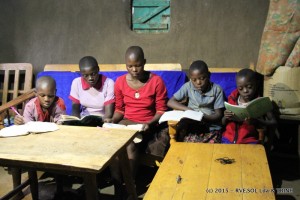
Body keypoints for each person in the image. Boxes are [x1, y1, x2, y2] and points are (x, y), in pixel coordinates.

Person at [105, 46, 169, 198]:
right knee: (115, 144)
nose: (134, 69)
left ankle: (129, 183)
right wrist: (111, 120)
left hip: (146, 125)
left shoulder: (156, 82)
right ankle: (116, 185)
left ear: (144, 62)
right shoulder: (120, 82)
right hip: (126, 123)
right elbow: (120, 109)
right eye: (130, 66)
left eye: (138, 65)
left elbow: (161, 110)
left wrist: (150, 123)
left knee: (131, 144)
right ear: (125, 65)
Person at [13, 76, 66, 199]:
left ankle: (59, 189)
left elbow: (61, 127)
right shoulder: (30, 106)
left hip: (54, 142)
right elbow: (26, 127)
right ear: (36, 93)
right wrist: (19, 122)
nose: (47, 99)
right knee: (15, 156)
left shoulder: (59, 105)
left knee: (60, 156)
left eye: (50, 96)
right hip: (32, 142)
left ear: (55, 93)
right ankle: (17, 189)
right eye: (42, 95)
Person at [167, 60, 225, 143]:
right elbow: (170, 102)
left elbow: (218, 115)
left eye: (202, 78)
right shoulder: (188, 86)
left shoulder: (217, 90)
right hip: (193, 126)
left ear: (208, 75)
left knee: (210, 149)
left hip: (211, 127)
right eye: (194, 80)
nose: (198, 82)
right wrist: (188, 109)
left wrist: (203, 117)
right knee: (188, 146)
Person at [221, 68, 277, 144]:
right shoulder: (232, 99)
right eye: (240, 88)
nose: (245, 91)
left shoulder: (261, 102)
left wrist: (257, 121)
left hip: (249, 140)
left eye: (249, 87)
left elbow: (274, 122)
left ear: (256, 84)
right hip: (228, 139)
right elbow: (223, 123)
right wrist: (225, 117)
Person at [69, 56, 115, 122]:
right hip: (84, 121)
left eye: (93, 74)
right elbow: (75, 109)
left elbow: (109, 113)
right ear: (81, 73)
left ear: (98, 69)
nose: (90, 78)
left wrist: (100, 122)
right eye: (85, 75)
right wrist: (77, 123)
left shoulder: (108, 83)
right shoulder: (76, 83)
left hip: (102, 120)